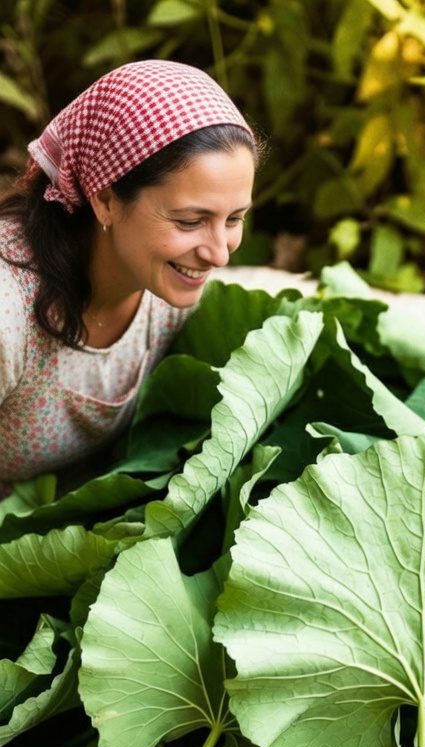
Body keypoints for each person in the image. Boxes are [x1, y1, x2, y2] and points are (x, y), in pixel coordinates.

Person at [0, 60, 258, 497]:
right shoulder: (9, 312)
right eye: (191, 221)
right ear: (104, 199)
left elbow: (270, 287)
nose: (218, 253)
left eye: (234, 218)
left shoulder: (164, 277)